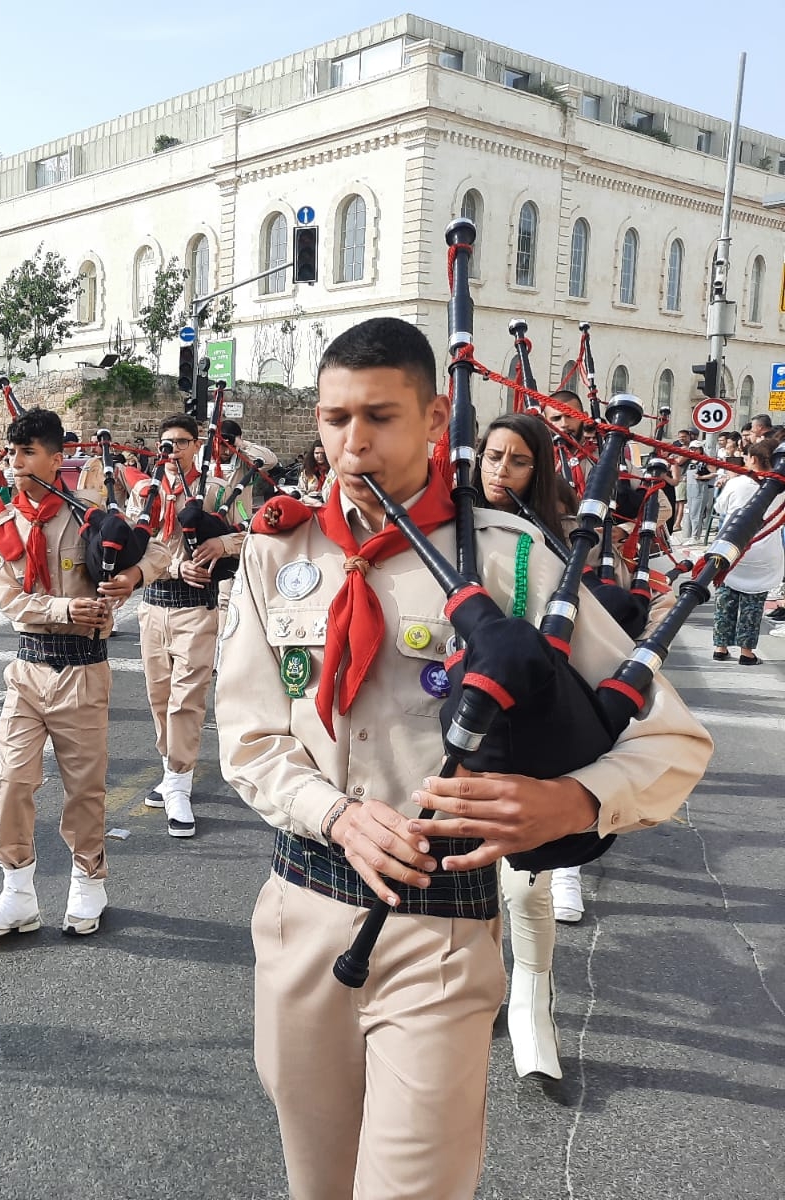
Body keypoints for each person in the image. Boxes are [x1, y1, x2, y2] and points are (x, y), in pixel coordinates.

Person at [216, 318, 712, 1199]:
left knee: (411, 1188)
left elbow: (672, 739)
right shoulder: (278, 549)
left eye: (379, 416)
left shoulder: (510, 561)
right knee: (315, 1182)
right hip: (297, 910)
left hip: (438, 928)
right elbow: (250, 738)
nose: (352, 442)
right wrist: (332, 811)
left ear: (436, 415)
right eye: (334, 419)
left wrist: (578, 804)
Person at [0, 407, 169, 938]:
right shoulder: (4, 526)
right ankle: (16, 891)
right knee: (13, 780)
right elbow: (9, 601)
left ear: (57, 460)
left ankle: (87, 879)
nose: (16, 463)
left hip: (82, 669)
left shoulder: (90, 517)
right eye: (11, 453)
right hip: (28, 668)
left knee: (84, 788)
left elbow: (160, 551)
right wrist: (61, 610)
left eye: (29, 452)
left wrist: (131, 578)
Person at [474, 411, 573, 1078]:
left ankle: (532, 1011)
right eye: (492, 456)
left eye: (517, 460)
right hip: (447, 720)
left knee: (524, 882)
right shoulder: (446, 525)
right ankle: (484, 988)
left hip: (523, 725)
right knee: (467, 877)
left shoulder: (548, 543)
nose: (500, 471)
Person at [127, 414, 242, 838]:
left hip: (197, 609)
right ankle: (169, 769)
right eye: (165, 443)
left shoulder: (218, 490)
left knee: (185, 700)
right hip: (153, 605)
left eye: (179, 442)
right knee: (159, 698)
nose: (171, 451)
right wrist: (174, 566)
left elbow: (250, 533)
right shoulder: (145, 493)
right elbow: (133, 547)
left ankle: (179, 782)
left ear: (196, 446)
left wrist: (221, 543)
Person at [712, 442, 784, 666]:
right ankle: (746, 652)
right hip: (764, 552)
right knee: (753, 605)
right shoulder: (780, 488)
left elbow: (720, 508)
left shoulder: (738, 483)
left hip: (733, 550)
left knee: (726, 601)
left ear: (754, 459)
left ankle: (720, 647)